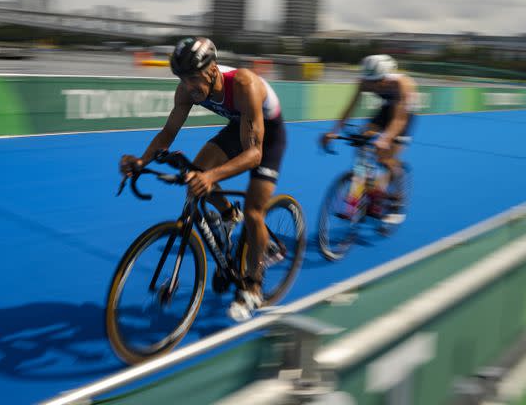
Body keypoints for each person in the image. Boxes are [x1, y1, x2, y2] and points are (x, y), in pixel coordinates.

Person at [119, 36, 286, 321]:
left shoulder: (244, 84)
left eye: (192, 78)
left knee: (254, 211)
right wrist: (140, 161)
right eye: (182, 79)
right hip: (240, 125)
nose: (188, 87)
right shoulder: (186, 91)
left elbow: (254, 155)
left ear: (212, 70)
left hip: (266, 138)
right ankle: (228, 215)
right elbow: (167, 134)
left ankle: (254, 285)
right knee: (195, 175)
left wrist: (211, 177)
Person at [320, 54, 416, 224]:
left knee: (386, 157)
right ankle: (363, 194)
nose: (373, 85)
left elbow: (399, 120)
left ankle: (397, 201)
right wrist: (333, 131)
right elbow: (350, 108)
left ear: (387, 76)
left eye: (378, 81)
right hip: (385, 110)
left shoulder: (401, 84)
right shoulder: (364, 81)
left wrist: (386, 138)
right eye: (370, 81)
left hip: (404, 115)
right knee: (362, 140)